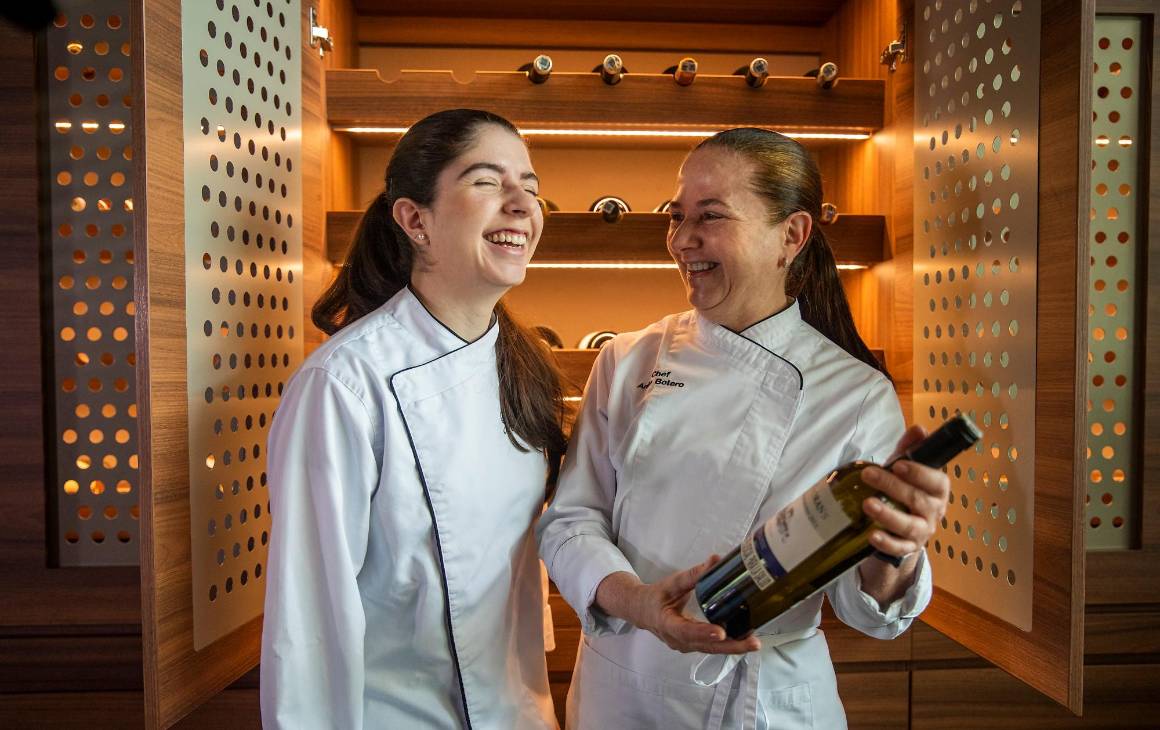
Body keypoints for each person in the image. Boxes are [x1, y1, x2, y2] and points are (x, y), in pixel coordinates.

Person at [537, 128, 950, 729]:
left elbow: (872, 615)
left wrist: (898, 549)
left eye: (711, 216)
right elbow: (571, 521)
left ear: (792, 235)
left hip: (762, 702)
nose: (682, 240)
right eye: (676, 217)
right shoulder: (628, 360)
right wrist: (644, 606)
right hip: (623, 683)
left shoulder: (855, 395)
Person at [261, 109, 566, 729]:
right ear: (414, 220)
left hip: (518, 711)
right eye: (487, 181)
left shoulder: (522, 367)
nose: (521, 204)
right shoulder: (344, 384)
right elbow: (309, 620)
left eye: (530, 188)